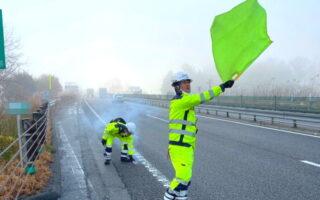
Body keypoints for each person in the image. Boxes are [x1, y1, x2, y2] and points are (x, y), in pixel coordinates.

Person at [163, 72, 234, 200]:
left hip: (187, 147)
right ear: (177, 86)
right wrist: (222, 87)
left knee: (186, 178)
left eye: (188, 82)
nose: (188, 85)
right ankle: (167, 197)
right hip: (179, 147)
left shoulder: (185, 101)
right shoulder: (181, 101)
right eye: (184, 82)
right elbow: (202, 97)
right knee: (182, 176)